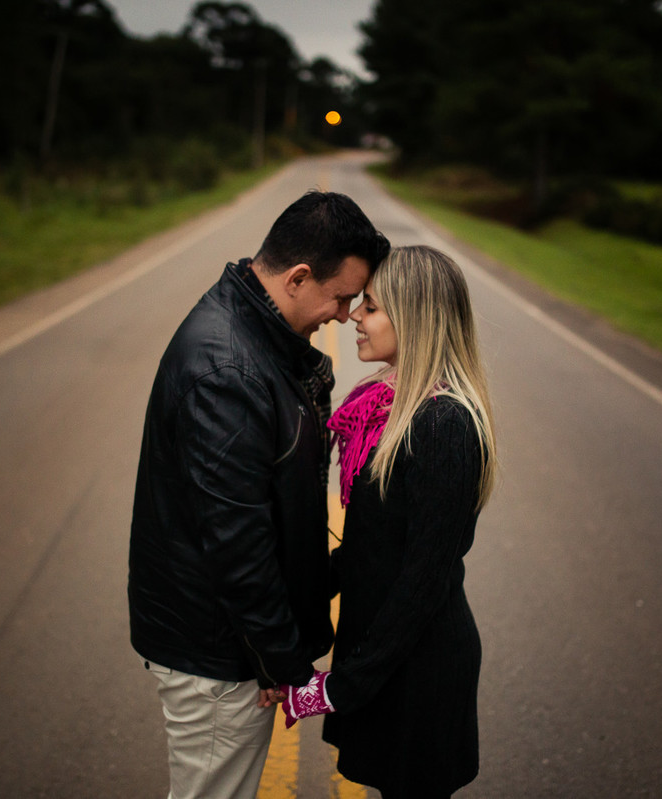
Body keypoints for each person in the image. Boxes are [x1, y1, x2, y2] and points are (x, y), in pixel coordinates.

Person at [128, 190, 390, 799]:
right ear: (299, 278)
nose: (345, 313)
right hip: (218, 653)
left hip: (231, 640)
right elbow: (239, 541)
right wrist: (284, 665)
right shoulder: (230, 371)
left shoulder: (255, 334)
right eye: (341, 295)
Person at [277, 245, 498, 799]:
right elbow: (371, 550)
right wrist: (281, 604)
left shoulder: (444, 423)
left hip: (418, 668)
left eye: (371, 306)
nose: (353, 315)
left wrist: (338, 688)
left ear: (415, 316)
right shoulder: (387, 408)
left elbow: (422, 582)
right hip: (383, 657)